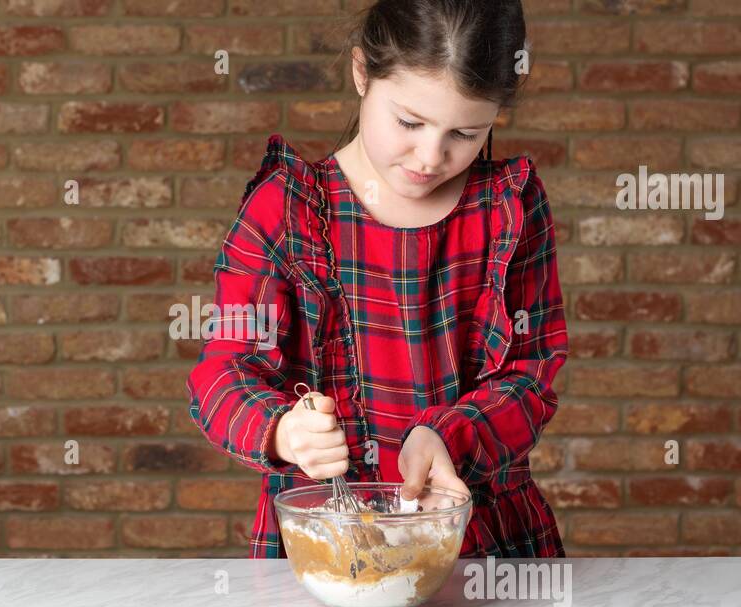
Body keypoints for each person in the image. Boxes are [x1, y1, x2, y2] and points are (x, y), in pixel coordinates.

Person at [187, 0, 568, 559]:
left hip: (482, 543)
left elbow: (532, 373)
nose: (430, 157)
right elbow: (222, 374)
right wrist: (282, 431)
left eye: (466, 132)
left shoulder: (509, 208)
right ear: (362, 72)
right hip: (324, 543)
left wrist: (447, 434)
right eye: (410, 122)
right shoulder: (284, 210)